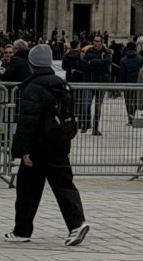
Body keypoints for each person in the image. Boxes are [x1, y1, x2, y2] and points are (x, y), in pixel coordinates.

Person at [6, 43, 89, 246]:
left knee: (27, 189)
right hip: (59, 142)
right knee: (64, 184)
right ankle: (76, 223)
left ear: (32, 63)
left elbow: (28, 121)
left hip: (37, 146)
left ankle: (22, 230)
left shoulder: (33, 87)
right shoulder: (61, 84)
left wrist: (22, 150)